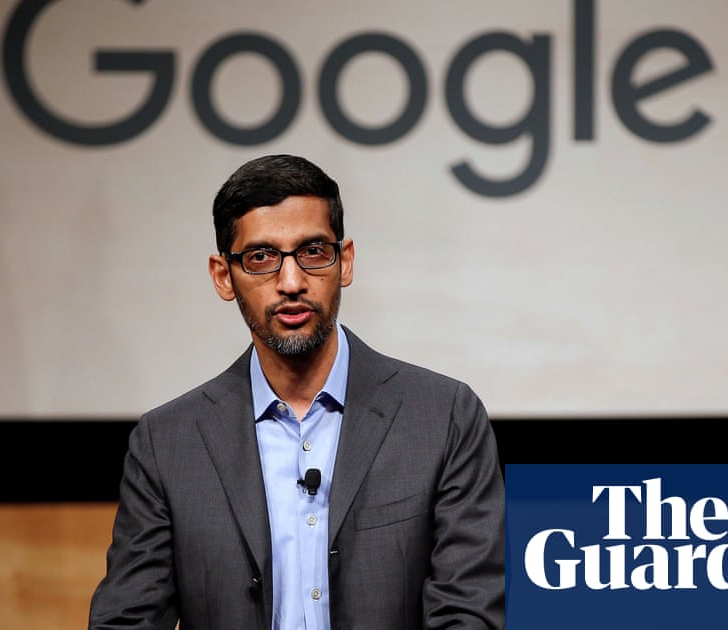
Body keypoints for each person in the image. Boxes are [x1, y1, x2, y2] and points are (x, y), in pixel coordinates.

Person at [89, 154, 504, 629]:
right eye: (261, 258)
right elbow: (126, 620)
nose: (291, 282)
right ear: (224, 276)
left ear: (345, 262)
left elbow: (469, 613)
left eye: (313, 251)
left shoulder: (443, 418)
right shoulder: (167, 444)